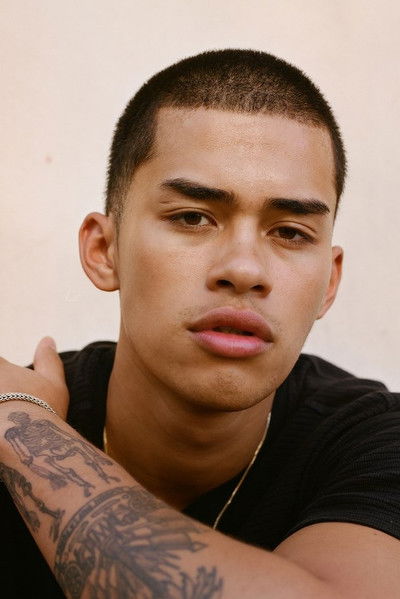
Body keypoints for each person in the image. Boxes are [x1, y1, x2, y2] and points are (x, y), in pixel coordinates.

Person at [0, 49, 399, 598]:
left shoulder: (372, 441)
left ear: (328, 283)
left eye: (290, 232)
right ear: (104, 250)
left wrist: (27, 434)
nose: (244, 270)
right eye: (192, 217)